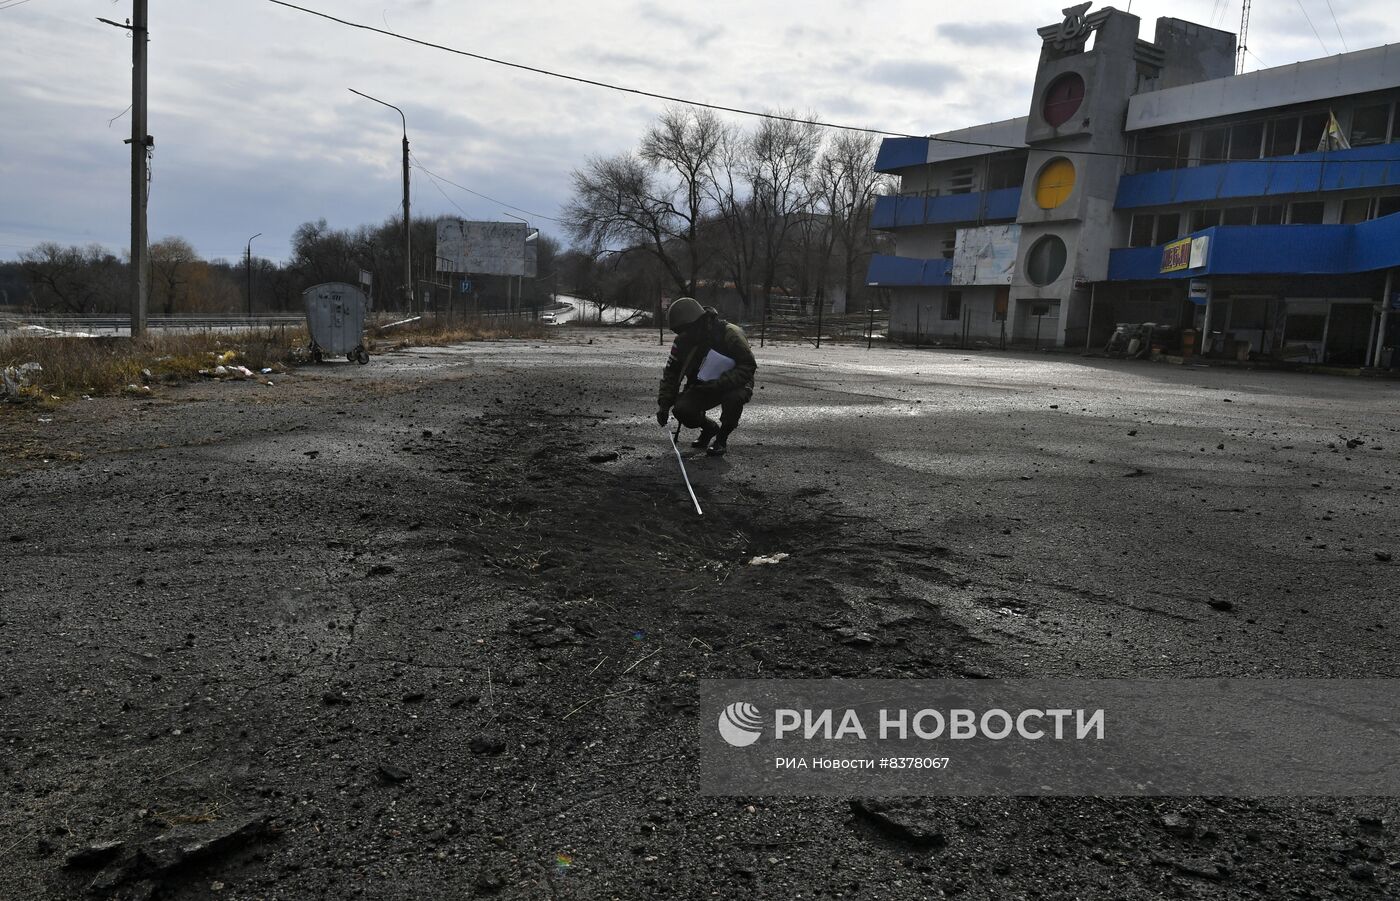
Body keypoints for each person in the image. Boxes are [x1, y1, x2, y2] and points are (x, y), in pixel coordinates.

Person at [655, 297, 756, 456]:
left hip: (735, 383)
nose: (682, 335)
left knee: (734, 398)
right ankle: (709, 428)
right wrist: (664, 405)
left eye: (684, 330)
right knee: (682, 410)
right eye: (679, 331)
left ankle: (721, 439)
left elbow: (748, 366)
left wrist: (719, 383)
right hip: (704, 384)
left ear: (697, 323)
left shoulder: (730, 333)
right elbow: (672, 373)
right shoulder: (682, 341)